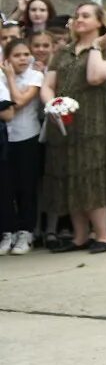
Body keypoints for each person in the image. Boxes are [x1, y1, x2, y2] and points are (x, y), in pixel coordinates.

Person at [39, 3, 106, 254]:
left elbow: (95, 77)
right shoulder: (63, 51)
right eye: (77, 15)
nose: (78, 19)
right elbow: (47, 84)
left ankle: (103, 236)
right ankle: (79, 236)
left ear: (100, 22)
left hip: (93, 123)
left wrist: (96, 46)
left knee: (91, 176)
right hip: (64, 123)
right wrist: (51, 104)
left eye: (85, 15)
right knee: (69, 176)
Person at [2, 37, 44, 253]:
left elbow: (18, 102)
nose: (22, 59)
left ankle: (26, 232)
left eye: (26, 54)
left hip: (28, 136)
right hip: (5, 138)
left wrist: (9, 78)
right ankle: (8, 232)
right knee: (6, 187)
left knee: (26, 186)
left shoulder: (36, 75)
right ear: (7, 58)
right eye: (17, 55)